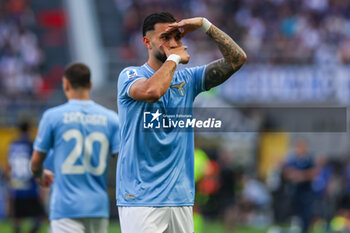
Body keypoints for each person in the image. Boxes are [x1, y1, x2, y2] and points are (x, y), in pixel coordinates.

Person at [117, 12, 247, 233]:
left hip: (180, 199)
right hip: (141, 198)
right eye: (165, 38)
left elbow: (237, 59)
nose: (173, 43)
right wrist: (174, 59)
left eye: (177, 37)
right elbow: (153, 91)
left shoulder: (188, 80)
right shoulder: (131, 75)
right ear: (147, 42)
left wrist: (206, 25)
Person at [30, 63, 120, 233]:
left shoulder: (52, 117)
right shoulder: (111, 118)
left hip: (66, 208)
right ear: (90, 85)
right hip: (98, 207)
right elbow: (122, 162)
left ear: (65, 84)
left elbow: (35, 164)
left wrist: (41, 174)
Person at [7, 121, 45, 233]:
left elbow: (9, 167)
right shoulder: (31, 144)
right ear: (29, 130)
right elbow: (36, 164)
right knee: (41, 215)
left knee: (17, 217)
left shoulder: (13, 145)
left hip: (17, 185)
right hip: (30, 186)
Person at [284, 138, 319, 233]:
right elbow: (287, 173)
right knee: (296, 214)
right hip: (296, 192)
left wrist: (301, 175)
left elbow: (313, 174)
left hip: (306, 192)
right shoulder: (293, 159)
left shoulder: (309, 160)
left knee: (306, 214)